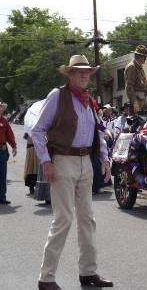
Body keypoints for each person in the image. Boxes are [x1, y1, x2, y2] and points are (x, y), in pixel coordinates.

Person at [31, 55, 113, 290]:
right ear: (69, 74)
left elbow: (99, 131)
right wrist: (46, 161)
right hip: (63, 160)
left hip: (85, 161)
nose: (84, 74)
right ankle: (46, 278)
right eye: (78, 71)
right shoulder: (58, 95)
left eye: (87, 71)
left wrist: (104, 158)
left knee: (87, 219)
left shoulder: (89, 99)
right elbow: (38, 131)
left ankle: (88, 273)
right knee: (63, 219)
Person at [0, 101, 17, 204]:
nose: (1, 109)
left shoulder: (4, 121)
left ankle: (2, 197)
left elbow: (9, 135)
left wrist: (14, 146)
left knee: (2, 175)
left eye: (1, 108)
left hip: (2, 151)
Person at [24, 133, 39, 197]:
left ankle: (34, 187)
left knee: (36, 168)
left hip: (38, 148)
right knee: (31, 168)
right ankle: (31, 187)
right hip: (31, 149)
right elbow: (25, 136)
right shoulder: (29, 126)